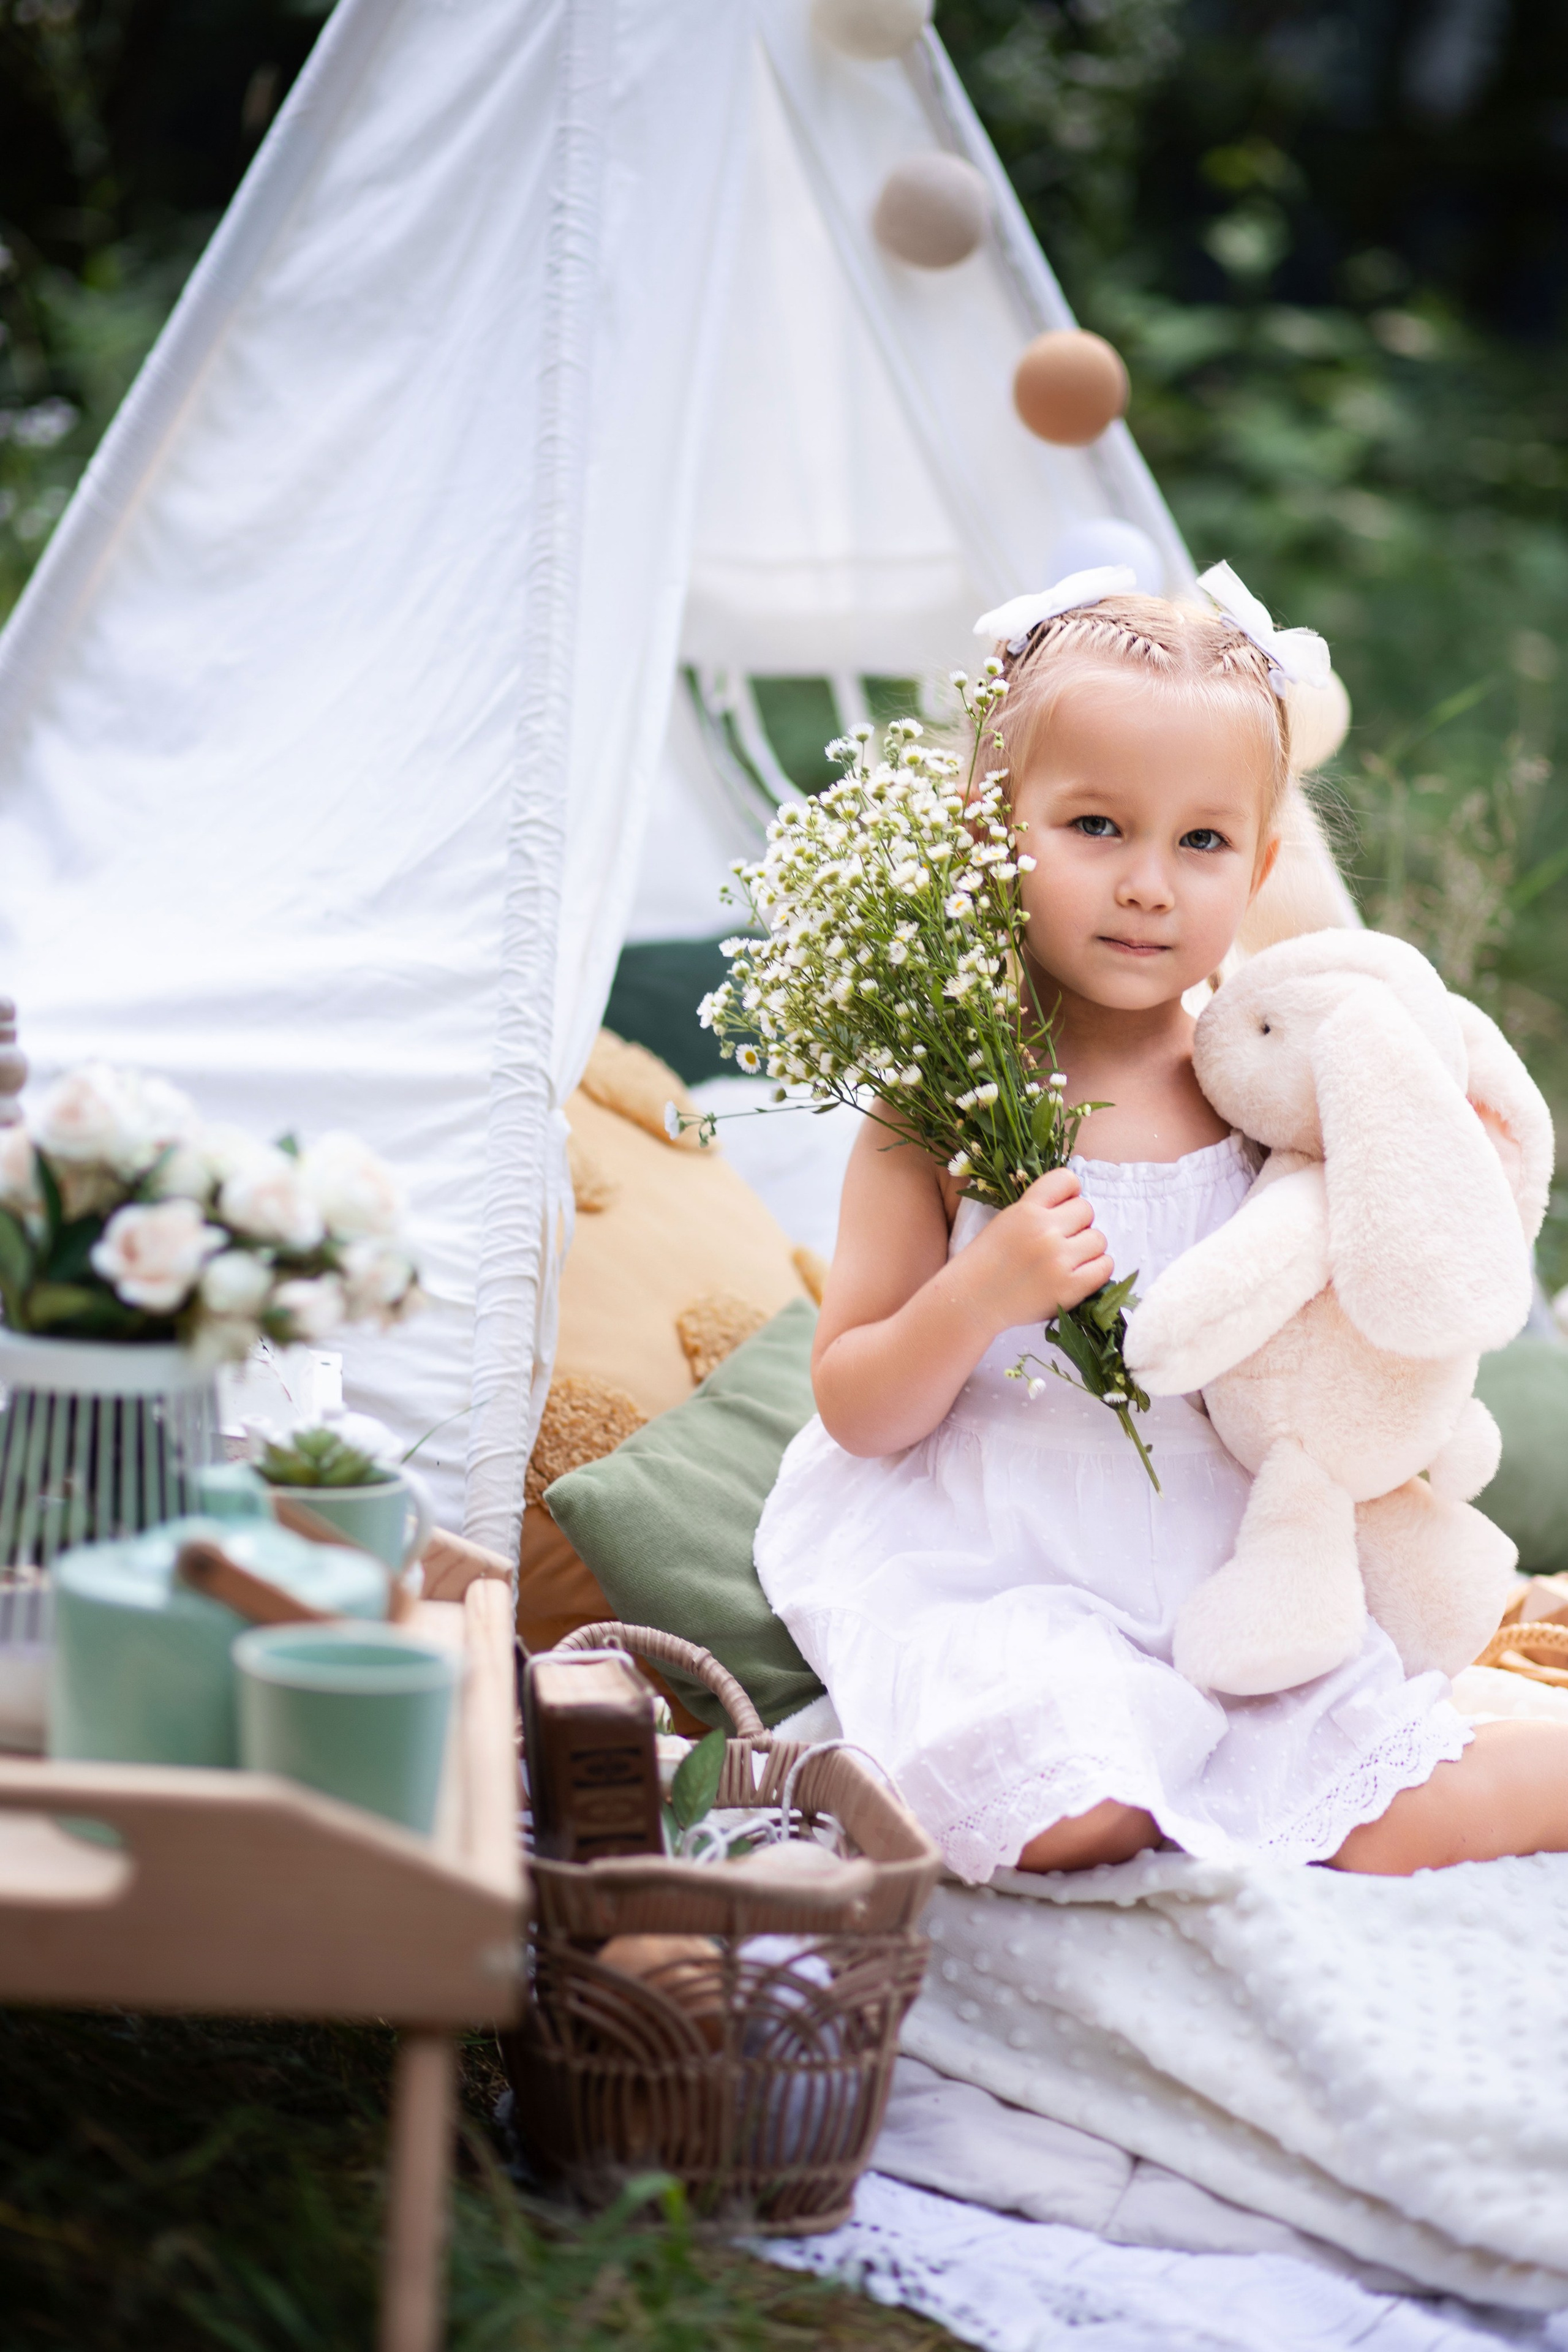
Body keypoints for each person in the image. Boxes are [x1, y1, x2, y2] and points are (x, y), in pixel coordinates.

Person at [754, 573, 1568, 1884]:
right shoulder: (940, 1100)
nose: (1146, 886)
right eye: (1092, 826)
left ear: (1256, 868)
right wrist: (983, 1291)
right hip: (995, 1551)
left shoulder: (1259, 1086)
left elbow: (1367, 1278)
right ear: (987, 833)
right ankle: (1135, 1777)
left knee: (1363, 1763)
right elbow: (856, 1404)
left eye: (1199, 844)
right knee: (1061, 1797)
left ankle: (1382, 1771)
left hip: (1210, 1545)